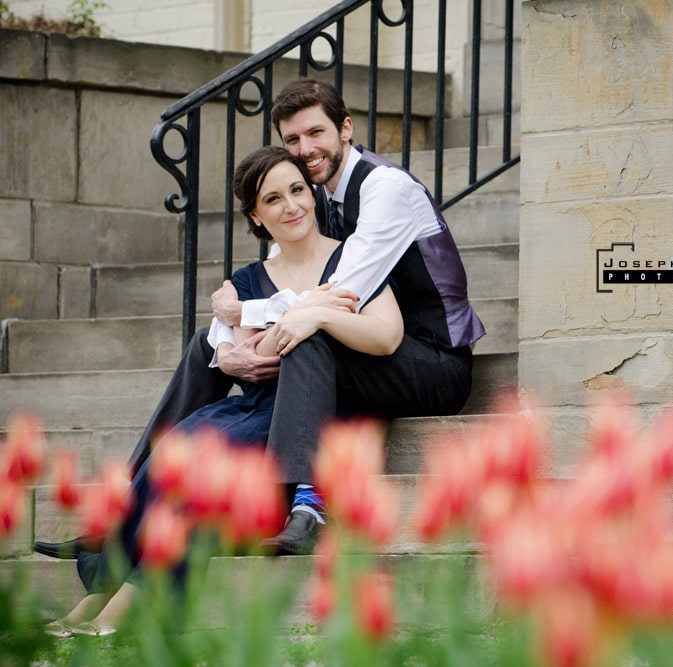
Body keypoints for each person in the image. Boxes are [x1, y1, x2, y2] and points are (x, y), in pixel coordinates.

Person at [34, 76, 484, 559]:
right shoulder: (318, 195)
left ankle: (306, 506)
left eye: (316, 133)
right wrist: (227, 346)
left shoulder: (384, 189)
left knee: (312, 332)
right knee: (205, 344)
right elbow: (281, 277)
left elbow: (336, 296)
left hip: (431, 362)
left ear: (346, 128)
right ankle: (121, 504)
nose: (306, 148)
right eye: (293, 139)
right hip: (371, 351)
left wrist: (244, 311)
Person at [44, 146, 404, 637]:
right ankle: (103, 593)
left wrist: (304, 314)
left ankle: (137, 600)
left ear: (313, 193)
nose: (292, 206)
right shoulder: (245, 281)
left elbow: (382, 336)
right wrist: (295, 315)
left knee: (204, 477)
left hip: (310, 414)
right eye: (273, 199)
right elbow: (247, 354)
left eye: (298, 190)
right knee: (173, 454)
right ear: (256, 215)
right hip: (252, 406)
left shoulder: (350, 261)